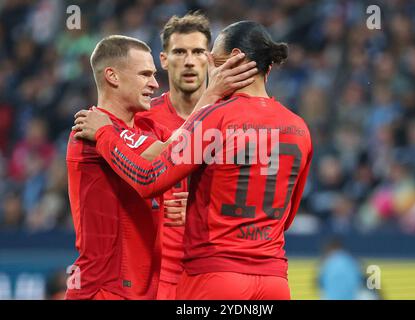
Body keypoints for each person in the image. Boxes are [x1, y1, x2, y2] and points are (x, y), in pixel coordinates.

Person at [73, 21, 313, 300]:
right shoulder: (299, 128)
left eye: (209, 56)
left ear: (232, 59)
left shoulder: (215, 118)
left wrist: (103, 134)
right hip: (274, 280)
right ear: (267, 69)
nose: (204, 65)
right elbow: (285, 216)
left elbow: (148, 178)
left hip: (214, 276)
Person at [136, 12, 212, 299]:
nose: (189, 60)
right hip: (157, 274)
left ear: (211, 58)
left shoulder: (232, 119)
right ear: (164, 60)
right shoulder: (141, 118)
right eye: (180, 52)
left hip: (214, 268)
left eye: (198, 52)